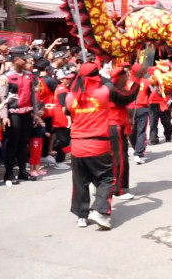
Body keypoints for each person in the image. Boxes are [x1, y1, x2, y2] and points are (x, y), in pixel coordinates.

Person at [66, 62, 146, 230]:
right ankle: (99, 210)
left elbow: (67, 111)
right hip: (98, 143)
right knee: (107, 178)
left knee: (80, 181)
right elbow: (127, 96)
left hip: (77, 145)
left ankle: (82, 216)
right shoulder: (104, 92)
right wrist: (137, 80)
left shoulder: (70, 97)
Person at [0, 46, 39, 185]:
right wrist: (4, 116)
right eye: (24, 58)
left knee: (24, 143)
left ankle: (22, 170)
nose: (27, 60)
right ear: (16, 60)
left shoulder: (29, 75)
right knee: (12, 144)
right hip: (13, 114)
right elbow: (2, 97)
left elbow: (33, 94)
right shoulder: (6, 77)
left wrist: (36, 112)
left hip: (27, 113)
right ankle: (9, 173)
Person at [107, 65, 144, 201]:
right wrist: (137, 79)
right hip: (114, 126)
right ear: (120, 77)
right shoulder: (113, 89)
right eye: (125, 76)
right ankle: (120, 190)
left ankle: (109, 185)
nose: (127, 78)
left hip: (117, 124)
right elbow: (128, 97)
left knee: (116, 158)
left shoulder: (114, 88)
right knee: (120, 158)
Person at [128, 72, 151, 164]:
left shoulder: (126, 82)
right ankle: (138, 153)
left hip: (129, 109)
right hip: (141, 108)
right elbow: (149, 93)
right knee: (141, 131)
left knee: (131, 131)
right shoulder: (146, 82)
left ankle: (136, 149)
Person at [148, 68, 172, 145]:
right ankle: (153, 139)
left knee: (166, 122)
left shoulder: (168, 80)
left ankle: (168, 136)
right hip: (153, 103)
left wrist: (170, 100)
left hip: (164, 103)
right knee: (153, 123)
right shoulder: (150, 81)